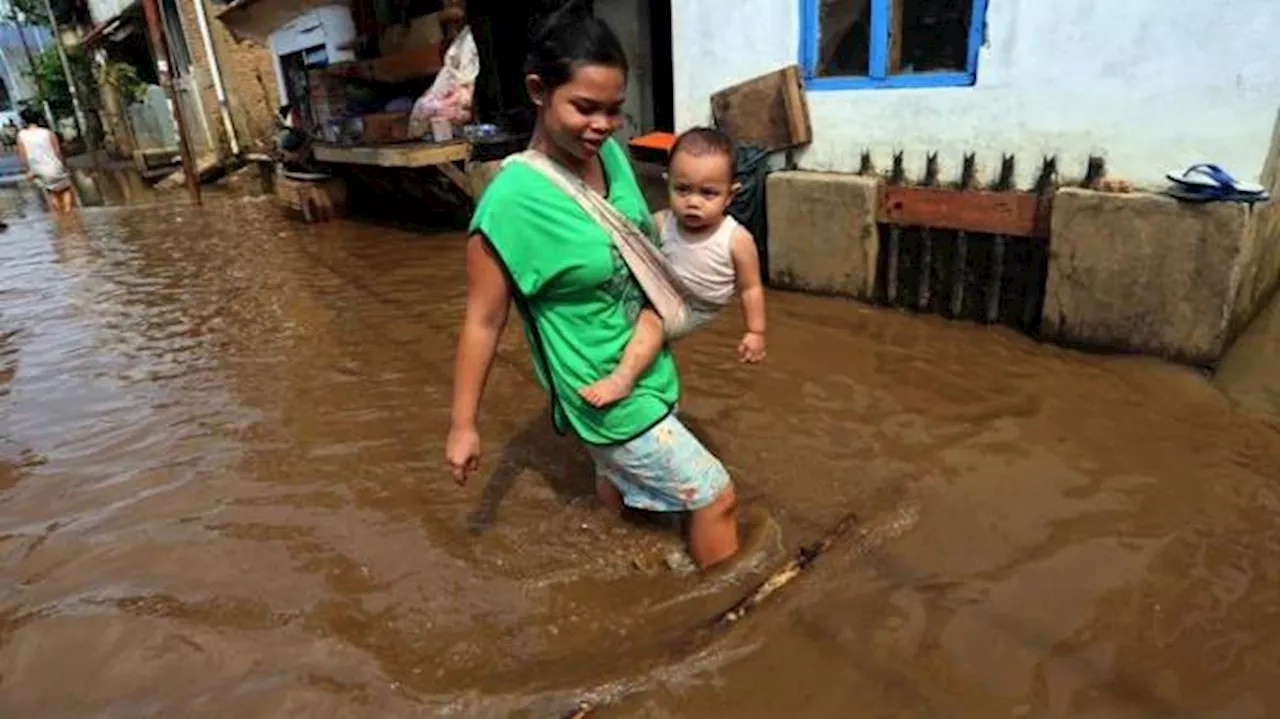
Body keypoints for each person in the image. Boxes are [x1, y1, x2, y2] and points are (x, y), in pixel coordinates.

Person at [446, 4, 740, 570]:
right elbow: (482, 322)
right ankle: (729, 619)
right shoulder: (508, 206)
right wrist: (464, 426)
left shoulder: (607, 155)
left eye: (613, 111)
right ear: (538, 90)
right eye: (584, 108)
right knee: (715, 497)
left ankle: (618, 573)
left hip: (646, 369)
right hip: (601, 393)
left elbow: (635, 235)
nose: (602, 126)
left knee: (625, 499)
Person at [578, 126, 768, 408]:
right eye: (682, 190)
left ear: (730, 195)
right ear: (667, 183)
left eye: (708, 193)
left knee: (651, 320)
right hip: (664, 290)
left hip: (696, 304)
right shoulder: (662, 222)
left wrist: (755, 331)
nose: (693, 202)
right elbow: (630, 243)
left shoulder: (736, 239)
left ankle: (622, 379)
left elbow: (751, 288)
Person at [16, 108, 74, 214]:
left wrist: (28, 170)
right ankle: (68, 213)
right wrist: (64, 165)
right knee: (65, 189)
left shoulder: (21, 136)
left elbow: (23, 156)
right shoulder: (48, 133)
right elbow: (57, 151)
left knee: (51, 192)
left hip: (38, 169)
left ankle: (60, 215)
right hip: (54, 166)